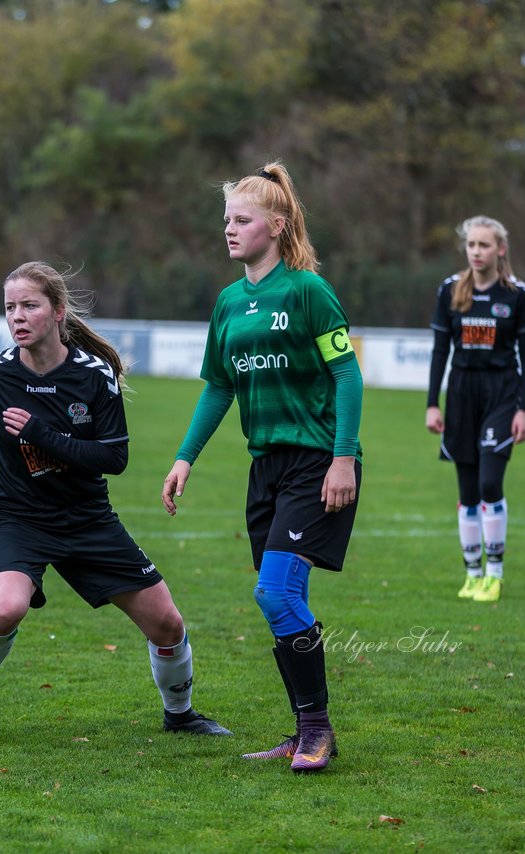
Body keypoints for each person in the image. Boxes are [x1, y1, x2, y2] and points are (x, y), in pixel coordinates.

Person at [0, 261, 230, 739]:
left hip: (86, 518)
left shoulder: (93, 376)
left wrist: (43, 434)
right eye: (10, 307)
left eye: (29, 306)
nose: (17, 316)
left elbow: (114, 458)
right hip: (17, 514)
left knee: (167, 623)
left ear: (57, 312)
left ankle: (180, 714)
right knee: (4, 610)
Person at [161, 161, 361, 773]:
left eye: (241, 220)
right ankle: (305, 731)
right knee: (281, 597)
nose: (229, 229)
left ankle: (318, 732)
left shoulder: (307, 291)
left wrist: (343, 458)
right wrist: (184, 457)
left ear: (276, 225)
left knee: (275, 591)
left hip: (315, 462)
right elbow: (218, 387)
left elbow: (346, 373)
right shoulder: (227, 303)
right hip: (265, 468)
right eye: (226, 220)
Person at [425, 216, 525, 603]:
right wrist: (431, 404)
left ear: (500, 249)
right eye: (471, 245)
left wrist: (523, 409)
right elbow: (441, 350)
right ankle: (472, 574)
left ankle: (495, 573)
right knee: (468, 492)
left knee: (491, 484)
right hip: (460, 394)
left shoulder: (518, 295)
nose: (476, 251)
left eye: (484, 245)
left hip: (501, 394)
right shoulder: (450, 290)